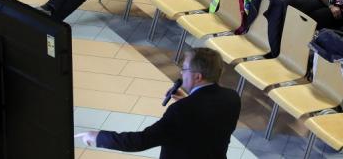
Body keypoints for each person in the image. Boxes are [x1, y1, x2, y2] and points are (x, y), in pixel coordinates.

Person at [82, 48, 241, 158]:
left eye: (184, 69)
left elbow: (142, 141)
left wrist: (100, 137)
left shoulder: (180, 110)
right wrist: (188, 100)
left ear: (198, 77)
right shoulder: (232, 98)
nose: (181, 73)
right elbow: (206, 121)